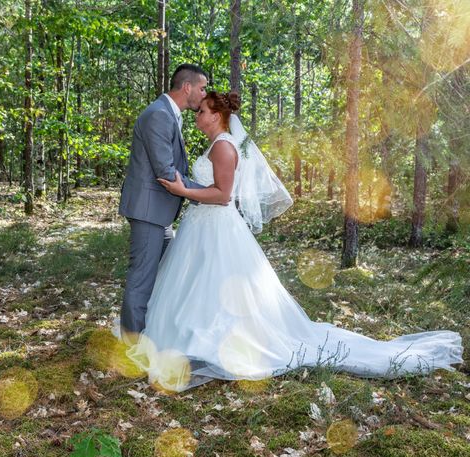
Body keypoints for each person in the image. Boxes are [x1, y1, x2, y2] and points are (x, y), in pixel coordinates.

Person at [125, 91, 463, 392]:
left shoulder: (225, 148)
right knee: (198, 283)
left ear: (215, 115)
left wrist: (184, 191)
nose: (196, 115)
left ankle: (213, 341)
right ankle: (187, 334)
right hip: (201, 225)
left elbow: (223, 196)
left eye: (201, 112)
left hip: (215, 225)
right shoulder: (217, 145)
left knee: (214, 281)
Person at [119, 64, 208, 340]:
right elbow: (166, 172)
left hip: (159, 213)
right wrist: (210, 194)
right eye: (202, 88)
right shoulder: (159, 115)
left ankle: (157, 332)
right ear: (187, 87)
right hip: (149, 212)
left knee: (170, 272)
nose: (204, 94)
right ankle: (131, 345)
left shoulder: (168, 113)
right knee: (142, 278)